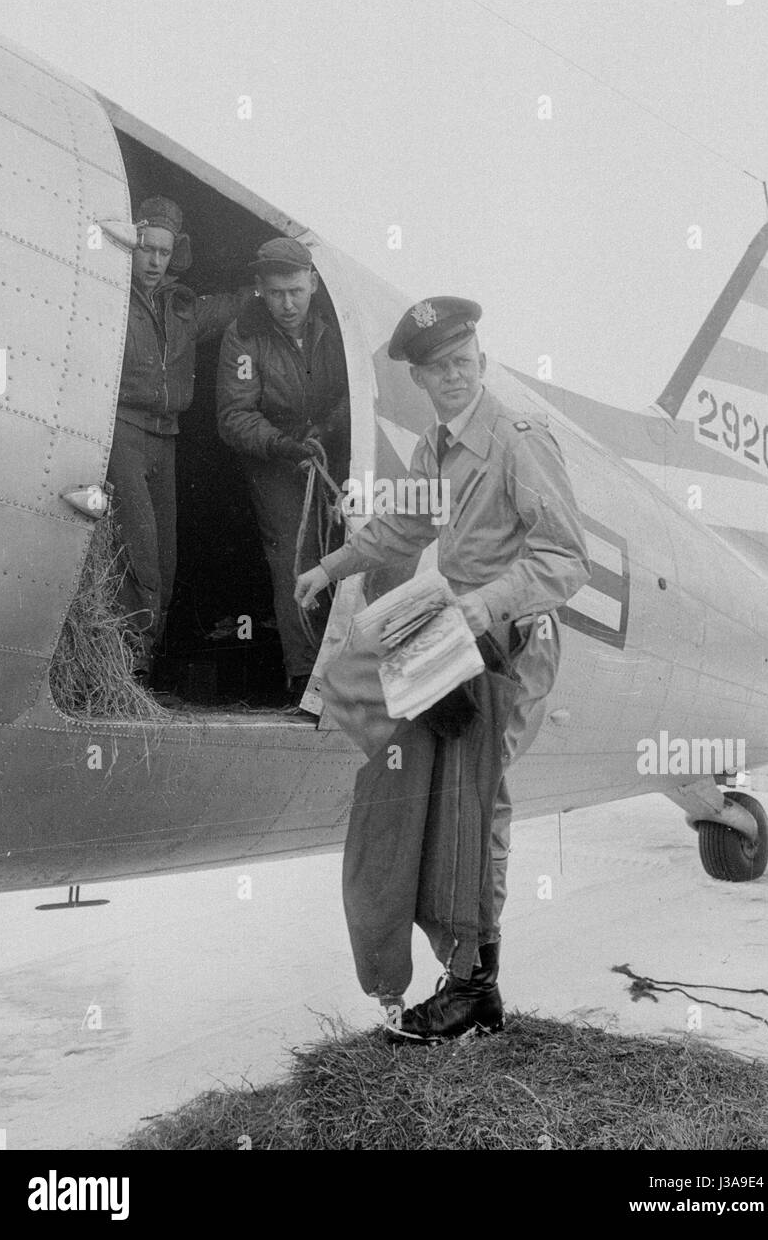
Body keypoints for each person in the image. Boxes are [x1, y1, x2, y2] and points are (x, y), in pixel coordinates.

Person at [295, 296, 591, 1040]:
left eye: (463, 362)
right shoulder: (435, 447)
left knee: (476, 804)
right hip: (451, 638)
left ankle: (474, 987)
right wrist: (330, 568)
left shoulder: (522, 442)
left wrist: (484, 607)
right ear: (422, 380)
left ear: (481, 363)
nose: (453, 376)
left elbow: (565, 559)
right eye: (437, 369)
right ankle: (457, 967)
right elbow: (404, 527)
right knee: (351, 688)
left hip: (511, 642)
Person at [108, 195, 243, 685]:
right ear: (132, 245)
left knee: (166, 557)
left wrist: (268, 289)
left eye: (164, 252)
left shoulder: (184, 309)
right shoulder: (111, 296)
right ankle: (128, 666)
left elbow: (232, 306)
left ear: (174, 255)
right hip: (124, 429)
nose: (153, 260)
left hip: (167, 436)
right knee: (139, 548)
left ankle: (142, 663)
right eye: (145, 248)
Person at [215, 237, 350, 705]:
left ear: (313, 281)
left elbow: (355, 393)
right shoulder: (244, 336)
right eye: (275, 293)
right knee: (296, 558)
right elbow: (234, 415)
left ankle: (351, 668)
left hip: (331, 448)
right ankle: (305, 674)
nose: (287, 304)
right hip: (276, 458)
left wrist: (328, 430)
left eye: (295, 290)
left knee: (351, 547)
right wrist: (283, 445)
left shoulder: (336, 326)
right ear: (259, 289)